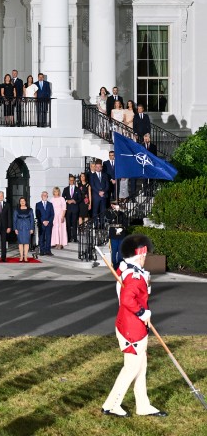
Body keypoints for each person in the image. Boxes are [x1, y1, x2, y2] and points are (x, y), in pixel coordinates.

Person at [102, 234, 167, 418]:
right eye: (145, 255)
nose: (147, 258)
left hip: (133, 326)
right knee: (132, 367)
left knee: (141, 366)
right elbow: (126, 299)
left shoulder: (128, 270)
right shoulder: (135, 276)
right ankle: (111, 404)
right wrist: (143, 313)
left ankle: (143, 405)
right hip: (132, 329)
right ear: (140, 255)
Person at [13, 196, 35, 262]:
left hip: (27, 228)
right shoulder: (16, 210)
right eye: (21, 201)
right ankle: (21, 256)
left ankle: (25, 257)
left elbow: (32, 219)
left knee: (26, 243)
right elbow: (14, 220)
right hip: (19, 228)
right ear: (19, 202)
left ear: (25, 202)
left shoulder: (30, 210)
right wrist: (15, 229)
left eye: (23, 201)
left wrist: (32, 228)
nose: (22, 202)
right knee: (20, 243)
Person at [90, 159, 109, 226]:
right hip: (96, 196)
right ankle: (95, 224)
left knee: (103, 211)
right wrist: (98, 192)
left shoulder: (105, 175)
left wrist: (103, 192)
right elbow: (92, 185)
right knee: (95, 211)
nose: (98, 168)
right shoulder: (92, 176)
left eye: (99, 167)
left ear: (101, 167)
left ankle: (102, 225)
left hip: (103, 196)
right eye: (97, 167)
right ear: (95, 167)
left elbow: (107, 185)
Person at [62, 174, 81, 242]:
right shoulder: (66, 189)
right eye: (70, 180)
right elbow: (62, 198)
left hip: (75, 208)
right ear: (69, 181)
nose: (71, 181)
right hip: (68, 209)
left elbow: (80, 198)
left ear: (74, 181)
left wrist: (74, 201)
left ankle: (75, 238)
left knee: (74, 223)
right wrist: (67, 201)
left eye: (73, 180)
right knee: (68, 224)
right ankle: (69, 238)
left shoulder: (77, 189)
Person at [35, 191, 54, 256]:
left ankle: (48, 251)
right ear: (41, 196)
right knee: (41, 238)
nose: (45, 196)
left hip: (49, 224)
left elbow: (52, 214)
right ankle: (42, 251)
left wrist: (48, 221)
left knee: (48, 237)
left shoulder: (50, 204)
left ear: (47, 196)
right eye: (43, 195)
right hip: (41, 224)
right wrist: (43, 221)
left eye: (46, 195)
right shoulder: (38, 204)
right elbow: (38, 215)